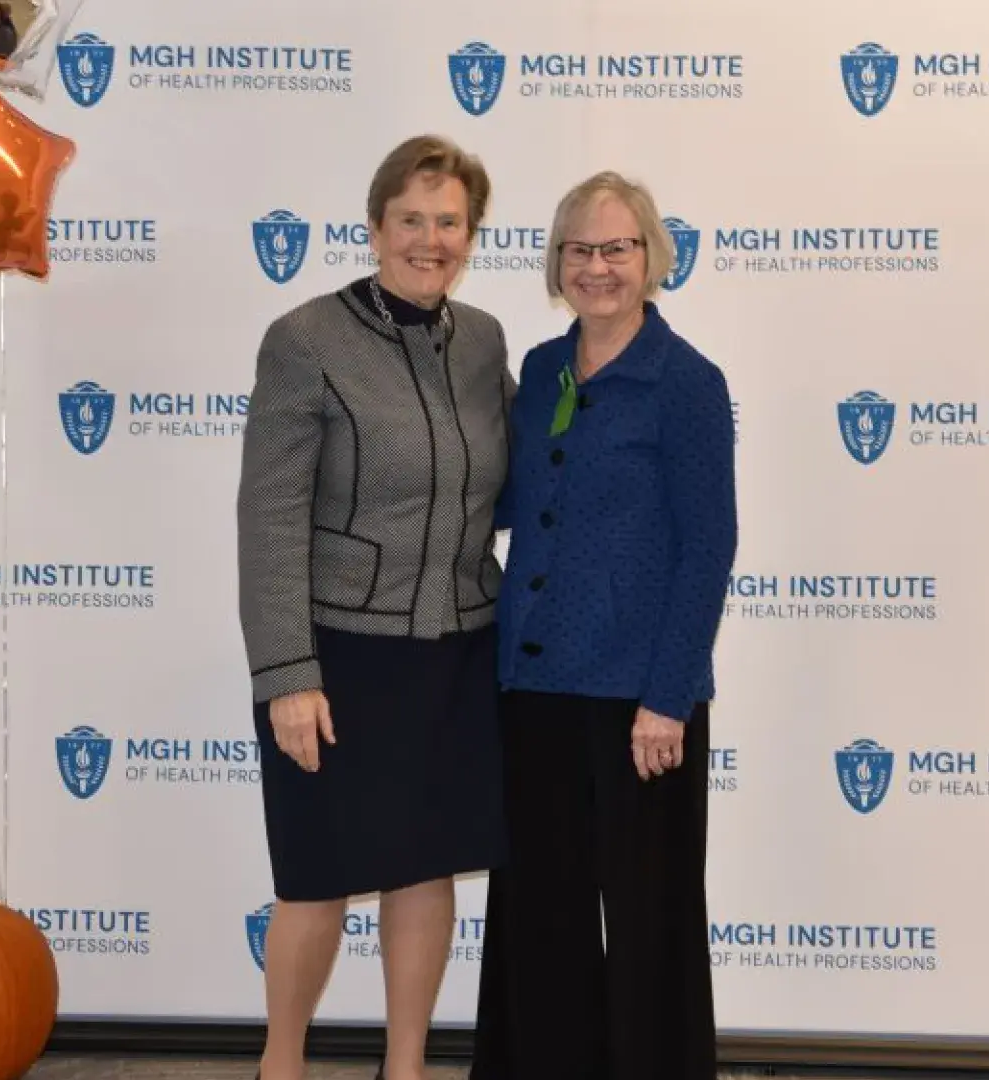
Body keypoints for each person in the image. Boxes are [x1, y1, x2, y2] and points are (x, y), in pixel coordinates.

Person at [237, 134, 513, 1080]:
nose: (429, 240)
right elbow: (269, 516)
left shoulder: (483, 341)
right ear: (375, 226)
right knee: (315, 878)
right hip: (337, 659)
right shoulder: (305, 338)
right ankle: (282, 1063)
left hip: (456, 650)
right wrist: (286, 676)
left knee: (424, 865)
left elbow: (511, 481)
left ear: (470, 235)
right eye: (411, 219)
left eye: (449, 222)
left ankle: (407, 1068)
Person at [470, 171, 738, 1080]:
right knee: (536, 913)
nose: (598, 267)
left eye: (617, 247)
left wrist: (667, 701)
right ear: (557, 264)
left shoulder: (688, 384)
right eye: (580, 250)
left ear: (651, 257)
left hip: (639, 699)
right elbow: (512, 498)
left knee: (651, 918)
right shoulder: (544, 368)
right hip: (533, 683)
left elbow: (708, 549)